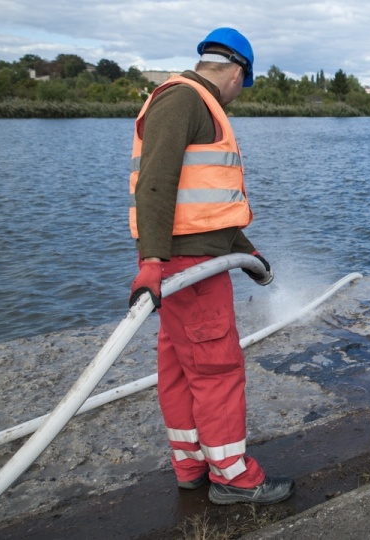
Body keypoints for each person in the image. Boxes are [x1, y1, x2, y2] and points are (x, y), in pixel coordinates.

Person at [128, 27, 294, 505]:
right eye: (245, 83)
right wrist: (153, 262)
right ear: (237, 71)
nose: (241, 95)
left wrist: (247, 251)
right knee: (217, 369)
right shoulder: (185, 100)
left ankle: (192, 464)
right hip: (190, 271)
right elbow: (156, 182)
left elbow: (203, 207)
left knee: (181, 368)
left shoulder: (188, 101)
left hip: (189, 261)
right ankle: (234, 478)